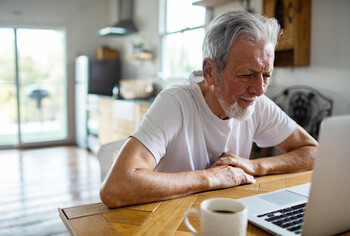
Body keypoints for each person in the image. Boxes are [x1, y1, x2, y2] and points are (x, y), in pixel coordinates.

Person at [100, 11, 318, 208]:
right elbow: (116, 188)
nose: (259, 90)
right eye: (246, 75)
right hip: (166, 220)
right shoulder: (175, 103)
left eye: (267, 75)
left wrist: (256, 166)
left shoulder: (255, 102)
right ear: (210, 71)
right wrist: (211, 178)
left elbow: (313, 151)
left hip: (224, 214)